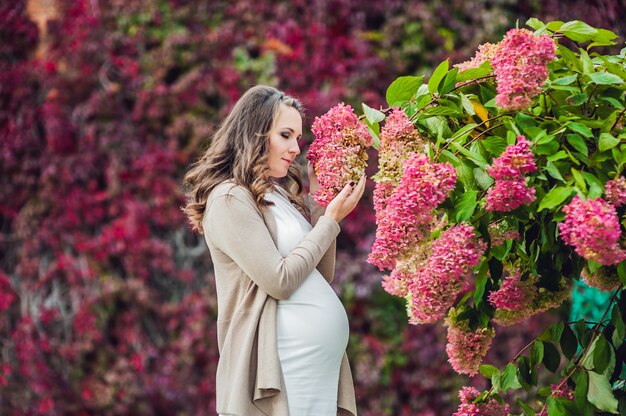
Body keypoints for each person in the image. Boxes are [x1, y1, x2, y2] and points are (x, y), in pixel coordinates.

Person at [182, 85, 365, 416]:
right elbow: (279, 280)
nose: (296, 148)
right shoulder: (228, 199)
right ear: (256, 133)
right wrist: (330, 222)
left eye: (298, 137)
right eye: (286, 135)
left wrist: (321, 205)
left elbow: (317, 277)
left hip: (310, 369)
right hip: (281, 365)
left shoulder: (276, 196)